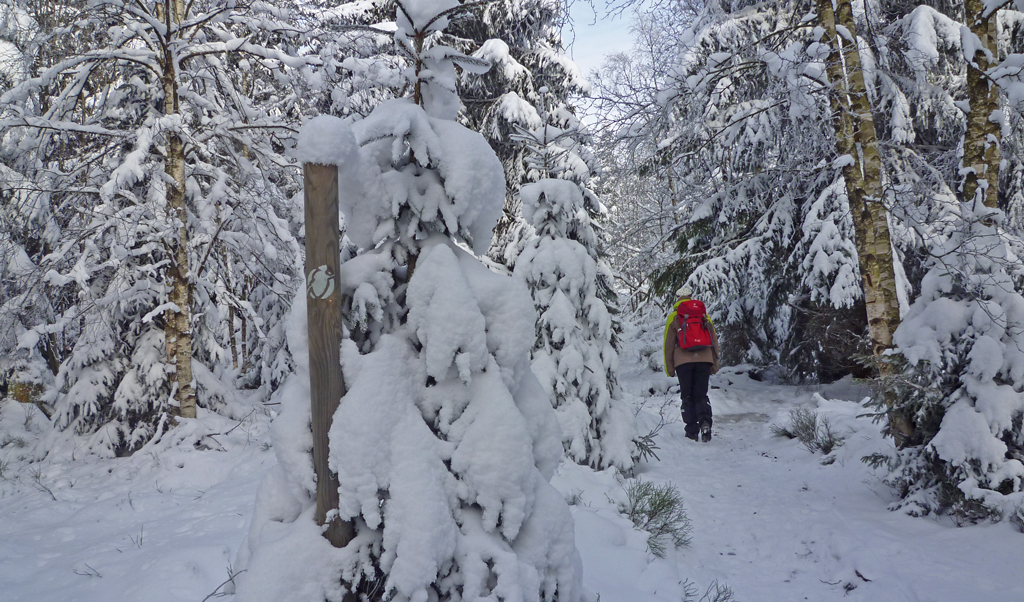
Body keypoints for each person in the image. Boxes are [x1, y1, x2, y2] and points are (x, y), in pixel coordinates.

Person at [663, 285, 720, 442]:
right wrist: (714, 363)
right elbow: (714, 340)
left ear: (677, 299)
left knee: (687, 396)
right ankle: (705, 423)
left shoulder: (674, 316)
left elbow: (668, 345)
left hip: (683, 363)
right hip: (704, 360)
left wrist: (670, 367)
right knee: (701, 394)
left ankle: (691, 431)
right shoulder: (703, 315)